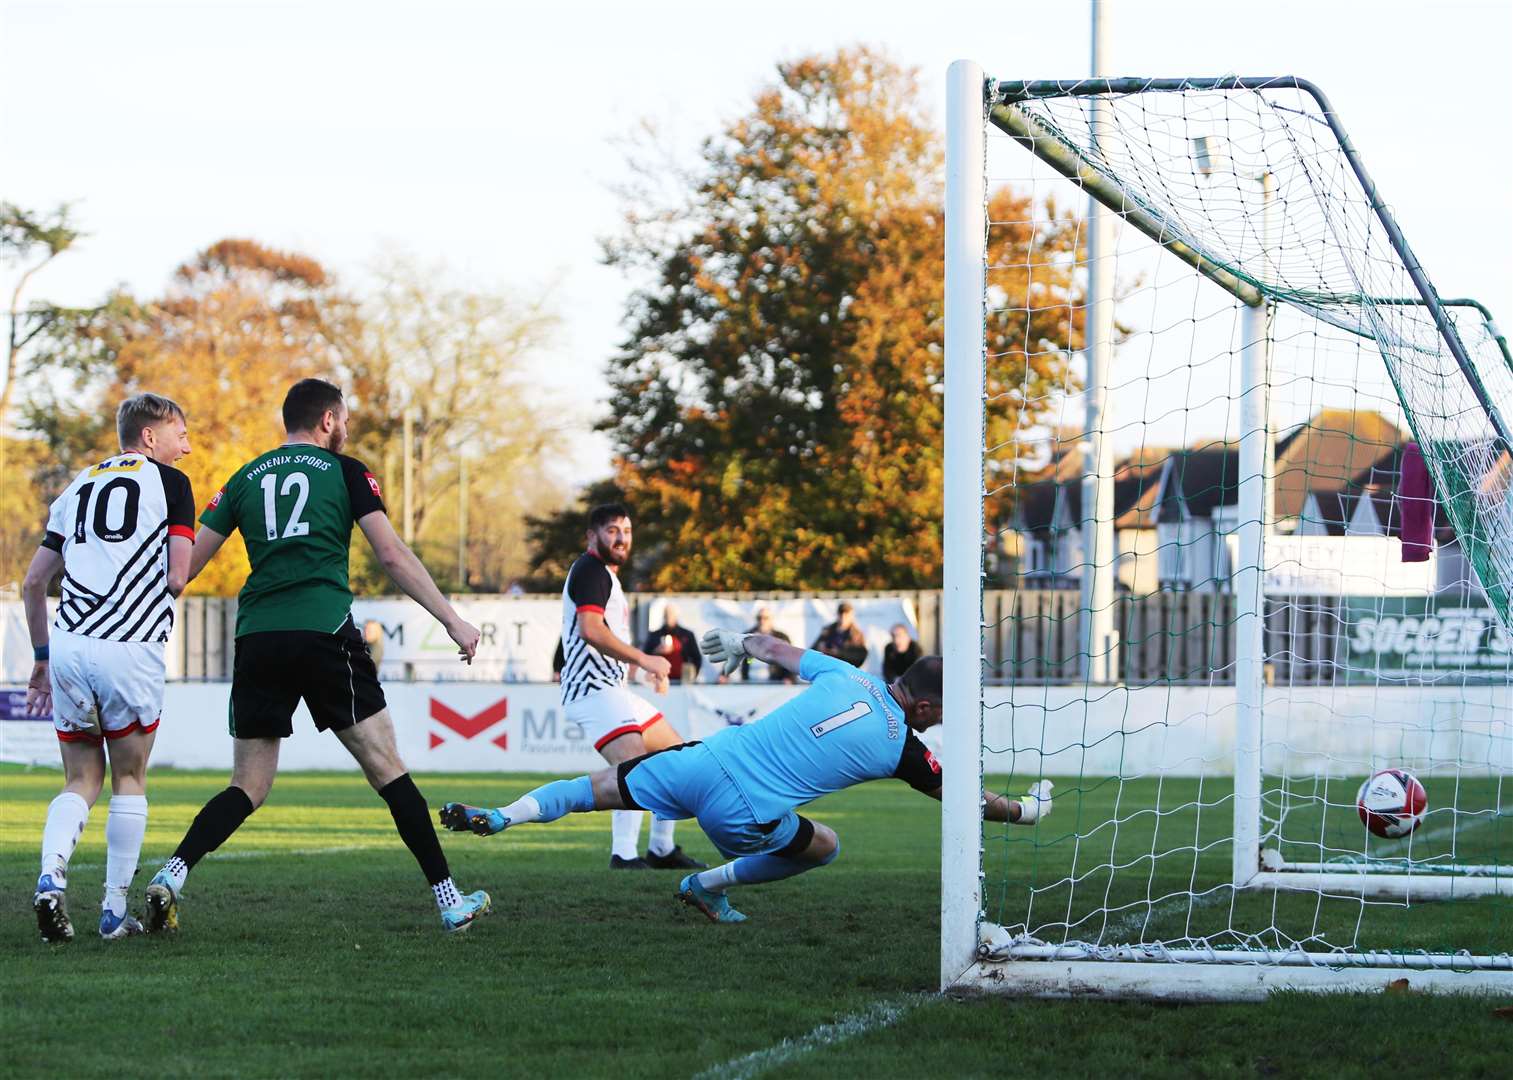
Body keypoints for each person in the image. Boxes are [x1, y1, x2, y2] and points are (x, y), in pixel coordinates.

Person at [142, 378, 490, 934]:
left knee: (247, 786)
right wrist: (453, 620)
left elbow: (181, 572)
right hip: (324, 630)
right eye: (344, 419)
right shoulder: (348, 472)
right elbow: (394, 556)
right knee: (387, 769)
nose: (346, 429)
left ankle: (172, 873)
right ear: (328, 420)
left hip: (258, 637)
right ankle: (449, 898)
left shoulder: (244, 478)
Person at [441, 631, 1052, 923]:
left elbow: (772, 647)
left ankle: (502, 816)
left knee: (593, 790)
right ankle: (707, 884)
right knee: (824, 846)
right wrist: (1024, 811)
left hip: (702, 759)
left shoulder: (845, 673)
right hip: (743, 815)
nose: (940, 722)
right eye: (942, 713)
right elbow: (970, 800)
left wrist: (737, 643)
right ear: (922, 709)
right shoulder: (905, 750)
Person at [22, 393, 196, 942]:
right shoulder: (171, 485)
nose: (186, 445)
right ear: (150, 437)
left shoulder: (76, 485)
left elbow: (33, 582)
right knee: (129, 778)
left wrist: (42, 658)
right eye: (180, 434)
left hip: (70, 644)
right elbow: (176, 576)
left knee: (79, 778)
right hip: (131, 644)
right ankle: (114, 912)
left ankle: (51, 878)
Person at [550, 503, 704, 870]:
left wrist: (638, 668)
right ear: (591, 536)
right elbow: (591, 630)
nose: (621, 538)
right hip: (592, 691)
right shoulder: (591, 569)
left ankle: (662, 849)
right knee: (636, 767)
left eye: (627, 531)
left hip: (612, 689)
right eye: (612, 530)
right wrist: (645, 659)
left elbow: (600, 635)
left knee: (678, 758)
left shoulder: (605, 575)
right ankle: (624, 854)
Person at [641, 603, 701, 684]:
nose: (668, 617)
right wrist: (656, 651)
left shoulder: (687, 635)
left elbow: (696, 658)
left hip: (682, 681)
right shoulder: (654, 635)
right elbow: (644, 657)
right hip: (660, 680)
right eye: (666, 614)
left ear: (676, 615)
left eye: (671, 614)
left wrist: (692, 676)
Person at [735, 606, 794, 683]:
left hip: (775, 682)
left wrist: (789, 678)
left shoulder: (781, 638)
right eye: (759, 618)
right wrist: (724, 674)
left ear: (771, 620)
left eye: (765, 618)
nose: (762, 621)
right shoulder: (747, 636)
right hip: (750, 683)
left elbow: (790, 659)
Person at [811, 601, 868, 668]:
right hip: (826, 669)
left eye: (846, 614)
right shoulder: (827, 630)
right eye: (841, 614)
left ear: (851, 615)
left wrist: (840, 653)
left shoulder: (857, 635)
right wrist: (820, 649)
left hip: (845, 672)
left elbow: (860, 657)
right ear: (837, 614)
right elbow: (813, 650)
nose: (843, 618)